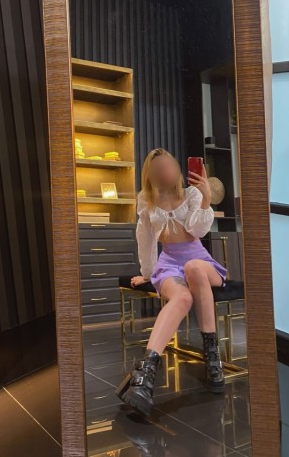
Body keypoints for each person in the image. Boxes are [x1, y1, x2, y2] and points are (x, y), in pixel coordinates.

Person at [115, 147, 227, 416]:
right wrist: (147, 272)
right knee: (182, 297)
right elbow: (145, 238)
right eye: (160, 168)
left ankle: (213, 358)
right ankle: (144, 377)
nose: (166, 171)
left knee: (193, 267)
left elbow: (198, 230)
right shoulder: (146, 200)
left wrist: (206, 199)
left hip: (199, 261)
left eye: (169, 165)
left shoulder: (191, 194)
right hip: (168, 263)